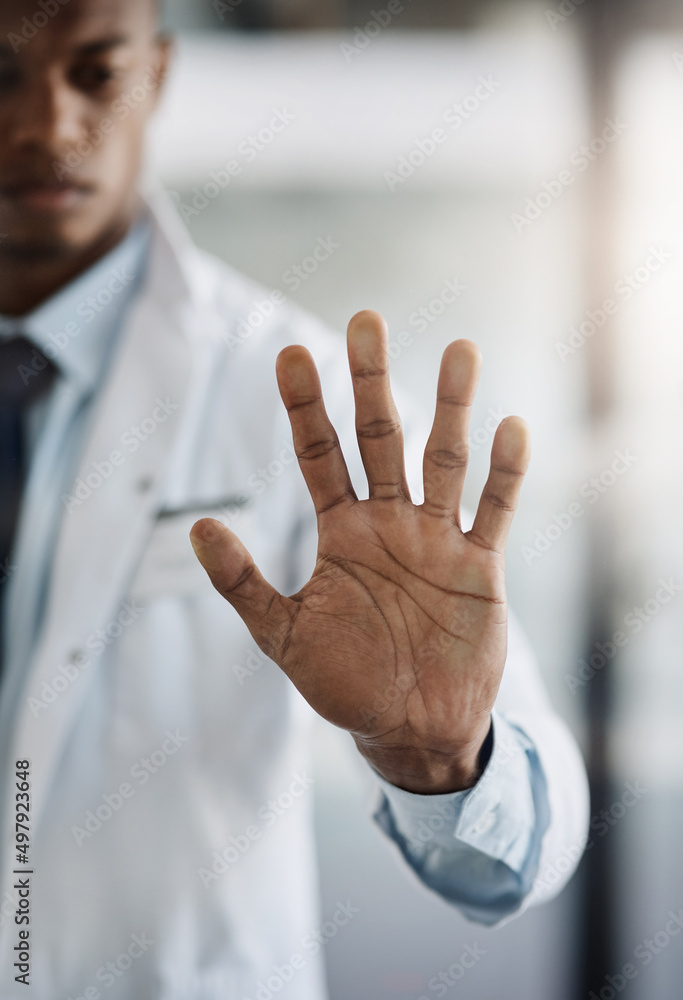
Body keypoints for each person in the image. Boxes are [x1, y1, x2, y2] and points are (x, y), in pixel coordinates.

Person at [0, 0, 589, 996]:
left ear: (160, 72)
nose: (46, 128)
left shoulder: (292, 393)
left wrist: (441, 757)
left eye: (95, 72)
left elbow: (527, 848)